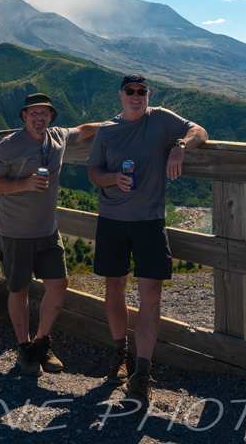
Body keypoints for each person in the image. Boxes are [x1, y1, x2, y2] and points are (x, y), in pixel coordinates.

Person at [87, 73, 208, 404]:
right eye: (131, 91)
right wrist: (113, 178)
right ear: (121, 96)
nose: (136, 96)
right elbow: (93, 172)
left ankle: (142, 371)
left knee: (151, 293)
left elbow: (199, 130)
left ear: (148, 94)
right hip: (112, 220)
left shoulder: (161, 119)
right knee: (114, 287)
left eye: (142, 91)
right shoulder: (107, 131)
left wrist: (180, 146)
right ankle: (120, 353)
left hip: (150, 221)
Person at [0, 92, 100, 376]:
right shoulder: (8, 147)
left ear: (51, 117)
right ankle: (24, 348)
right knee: (19, 289)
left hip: (48, 230)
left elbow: (85, 130)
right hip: (15, 232)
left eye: (45, 113)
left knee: (58, 284)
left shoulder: (58, 137)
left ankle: (42, 343)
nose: (39, 118)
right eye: (33, 113)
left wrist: (119, 123)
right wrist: (24, 183)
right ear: (24, 116)